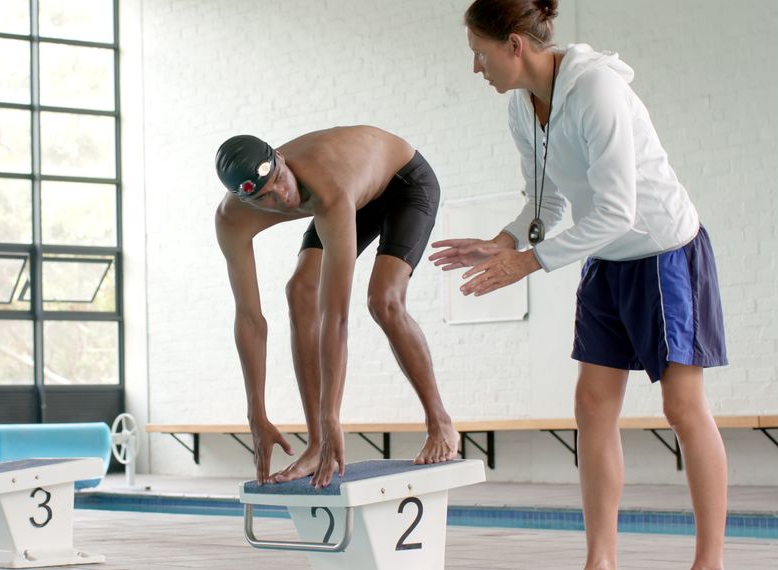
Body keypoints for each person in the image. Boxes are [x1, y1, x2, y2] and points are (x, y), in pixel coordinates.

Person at [430, 1, 729, 568]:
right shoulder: (522, 107)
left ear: (515, 45)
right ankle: (600, 559)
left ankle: (709, 561)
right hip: (606, 260)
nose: (476, 68)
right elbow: (546, 202)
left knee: (683, 406)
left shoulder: (597, 92)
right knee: (592, 404)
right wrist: (505, 241)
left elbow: (618, 211)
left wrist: (530, 263)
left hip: (664, 251)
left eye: (480, 54)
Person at [214, 126, 459, 488]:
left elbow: (336, 316)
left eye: (280, 179)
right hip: (350, 193)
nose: (282, 196)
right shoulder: (231, 220)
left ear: (279, 158)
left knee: (383, 300)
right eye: (264, 198)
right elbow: (250, 320)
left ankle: (440, 422)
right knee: (300, 290)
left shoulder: (326, 186)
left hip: (403, 182)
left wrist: (333, 416)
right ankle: (314, 446)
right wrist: (257, 413)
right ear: (245, 200)